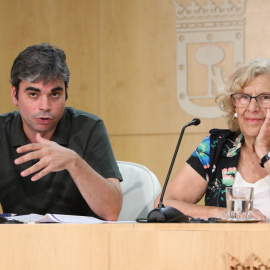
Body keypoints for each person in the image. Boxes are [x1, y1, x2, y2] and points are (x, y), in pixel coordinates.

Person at [0, 43, 123, 221]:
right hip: (17, 242)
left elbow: (111, 211)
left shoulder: (88, 127)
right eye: (33, 94)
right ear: (14, 94)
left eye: (55, 94)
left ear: (66, 95)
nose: (45, 106)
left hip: (81, 242)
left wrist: (74, 163)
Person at [155, 58, 270, 220]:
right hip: (223, 244)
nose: (252, 107)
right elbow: (164, 204)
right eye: (244, 97)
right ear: (235, 105)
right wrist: (221, 213)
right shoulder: (217, 146)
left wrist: (264, 152)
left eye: (265, 97)